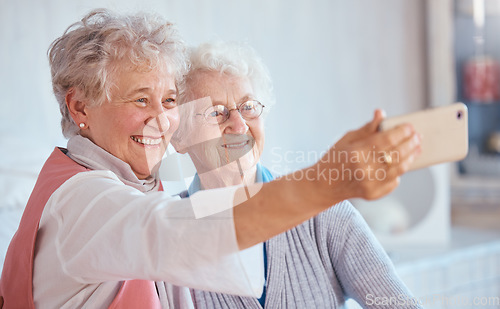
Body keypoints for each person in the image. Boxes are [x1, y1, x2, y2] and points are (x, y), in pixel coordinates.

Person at [0, 8, 421, 309]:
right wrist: (331, 178)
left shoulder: (146, 192)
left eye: (167, 100)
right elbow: (169, 235)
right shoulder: (88, 201)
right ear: (80, 108)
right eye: (139, 98)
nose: (159, 119)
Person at [172, 41, 423, 308]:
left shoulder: (325, 214)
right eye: (216, 112)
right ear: (180, 136)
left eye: (248, 107)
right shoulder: (164, 236)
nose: (239, 124)